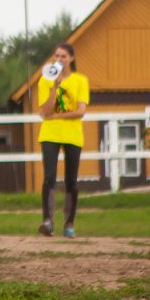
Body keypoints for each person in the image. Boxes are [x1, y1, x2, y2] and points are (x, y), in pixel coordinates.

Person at [36, 42, 89, 238]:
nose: (59, 60)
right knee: (49, 177)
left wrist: (58, 117)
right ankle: (48, 221)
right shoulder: (45, 80)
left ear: (71, 59)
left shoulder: (80, 80)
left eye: (63, 56)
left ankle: (69, 224)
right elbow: (44, 111)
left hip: (72, 135)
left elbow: (81, 111)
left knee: (71, 180)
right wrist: (54, 87)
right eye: (56, 56)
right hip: (50, 134)